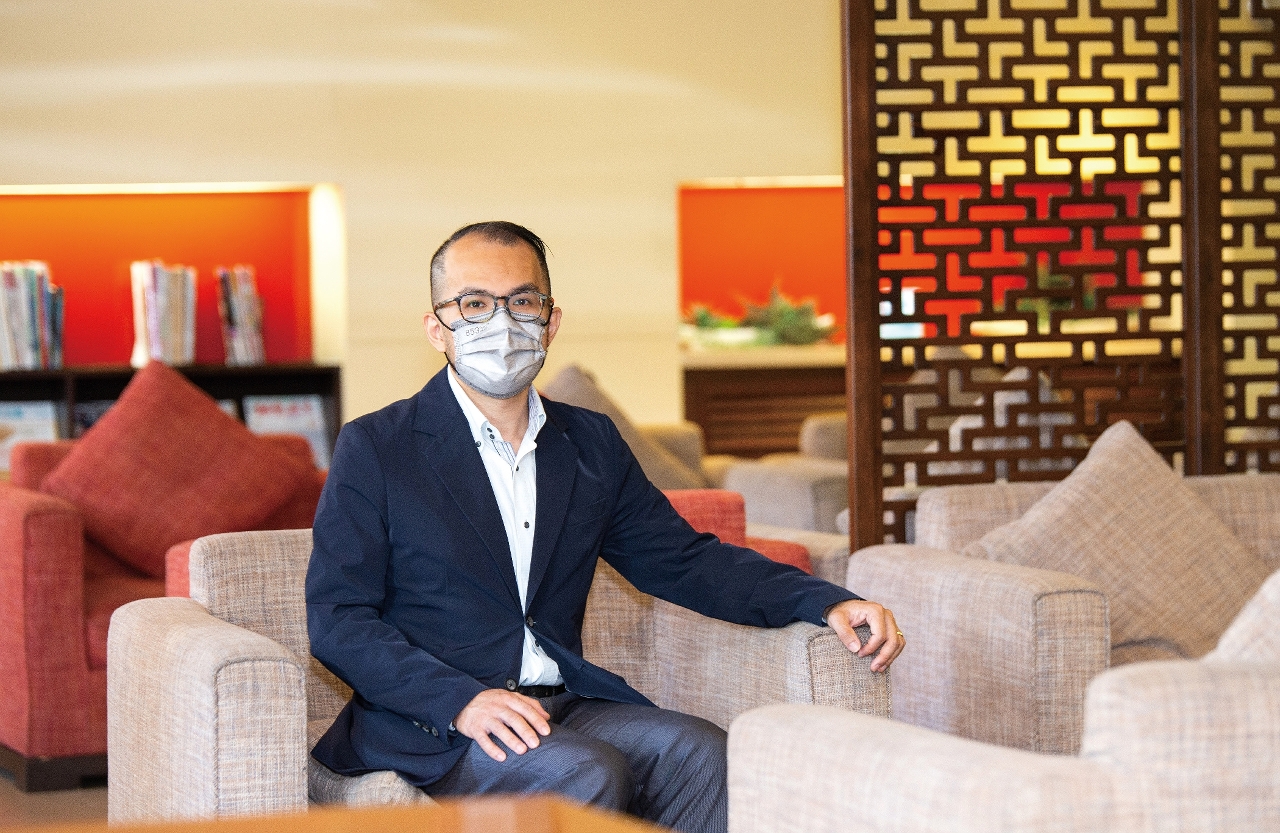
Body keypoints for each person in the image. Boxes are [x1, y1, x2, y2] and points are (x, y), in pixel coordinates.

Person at [306, 221, 903, 833]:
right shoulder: (378, 446)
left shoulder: (588, 441)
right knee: (585, 773)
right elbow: (338, 617)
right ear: (438, 327)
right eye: (475, 304)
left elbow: (683, 560)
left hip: (564, 703)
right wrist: (459, 701)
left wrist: (822, 600)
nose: (502, 322)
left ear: (550, 321)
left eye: (522, 301)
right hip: (436, 723)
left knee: (702, 754)